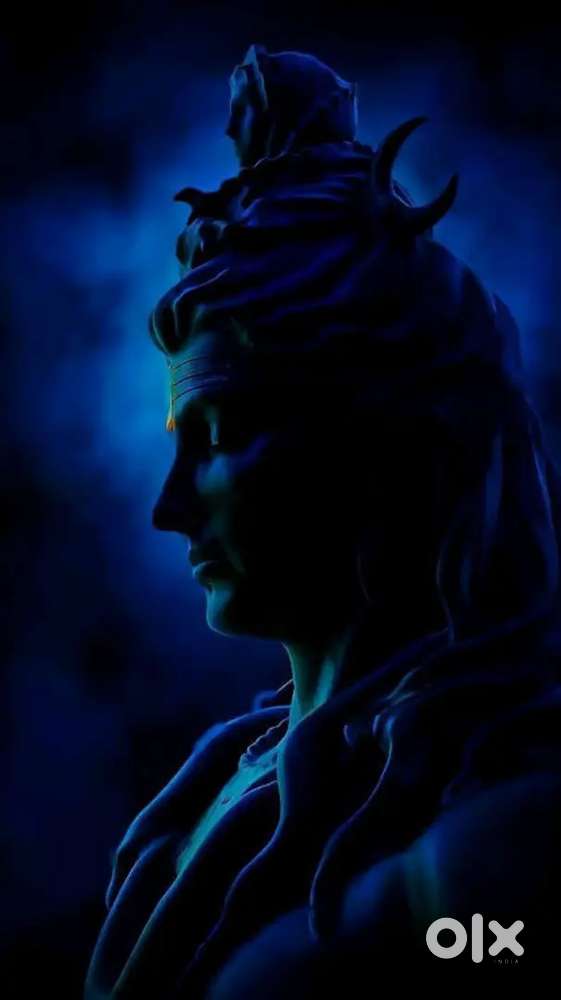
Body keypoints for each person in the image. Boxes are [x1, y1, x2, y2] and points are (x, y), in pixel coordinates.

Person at [85, 44, 561, 997]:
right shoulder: (222, 778)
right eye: (180, 438)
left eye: (225, 434)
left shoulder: (503, 826)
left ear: (393, 447)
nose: (169, 510)